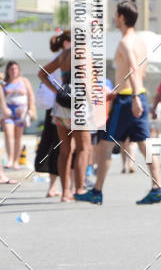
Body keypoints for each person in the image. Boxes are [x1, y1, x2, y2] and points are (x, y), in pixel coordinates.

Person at [75, 0, 161, 206]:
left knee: (106, 145)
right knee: (144, 145)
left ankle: (96, 191)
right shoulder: (140, 42)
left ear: (122, 18)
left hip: (128, 100)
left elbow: (132, 69)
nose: (114, 18)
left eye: (115, 15)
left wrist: (131, 97)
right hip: (135, 95)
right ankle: (157, 188)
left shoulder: (125, 42)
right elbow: (134, 72)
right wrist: (122, 92)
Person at [37, 33, 92, 202]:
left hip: (61, 106)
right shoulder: (85, 54)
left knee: (65, 151)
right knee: (83, 149)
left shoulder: (64, 54)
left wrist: (57, 91)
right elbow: (85, 81)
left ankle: (65, 192)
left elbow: (41, 73)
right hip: (78, 105)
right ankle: (79, 189)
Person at [34, 32, 68, 197]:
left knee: (59, 147)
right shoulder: (63, 57)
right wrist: (59, 92)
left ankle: (59, 187)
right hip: (60, 107)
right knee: (59, 147)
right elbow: (43, 73)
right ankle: (62, 188)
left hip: (59, 107)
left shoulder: (65, 56)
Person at [1, 61, 36, 173]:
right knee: (8, 133)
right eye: (11, 69)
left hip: (21, 110)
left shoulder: (24, 81)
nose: (14, 70)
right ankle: (10, 159)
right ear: (8, 70)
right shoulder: (5, 82)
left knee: (18, 136)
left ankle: (16, 161)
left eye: (16, 68)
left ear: (18, 70)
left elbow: (31, 95)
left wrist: (31, 109)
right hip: (8, 111)